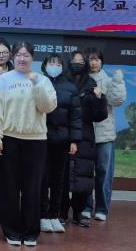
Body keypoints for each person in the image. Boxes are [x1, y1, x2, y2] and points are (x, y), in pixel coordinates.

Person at [0, 41, 57, 247]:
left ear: (32, 58)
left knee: (32, 188)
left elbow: (47, 107)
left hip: (36, 140)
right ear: (13, 56)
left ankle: (31, 232)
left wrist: (37, 84)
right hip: (9, 139)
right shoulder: (3, 80)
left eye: (26, 55)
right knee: (9, 188)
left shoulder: (43, 80)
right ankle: (11, 231)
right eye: (18, 54)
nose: (22, 58)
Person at [61, 51, 108, 227]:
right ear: (68, 62)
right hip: (65, 133)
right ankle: (61, 213)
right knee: (62, 176)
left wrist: (99, 98)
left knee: (83, 176)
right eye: (74, 60)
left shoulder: (91, 83)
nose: (78, 63)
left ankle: (78, 213)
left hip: (85, 136)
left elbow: (99, 116)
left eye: (81, 61)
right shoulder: (62, 82)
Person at [39, 54, 82, 234]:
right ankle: (42, 215)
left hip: (63, 140)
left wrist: (74, 140)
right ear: (45, 65)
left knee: (59, 180)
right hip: (41, 138)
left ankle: (54, 215)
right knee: (43, 178)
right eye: (51, 63)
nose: (54, 66)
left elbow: (76, 116)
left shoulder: (71, 87)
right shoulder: (39, 83)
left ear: (63, 67)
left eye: (58, 63)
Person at [82, 47, 126, 222]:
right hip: (85, 134)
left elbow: (117, 101)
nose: (94, 63)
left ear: (101, 62)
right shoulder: (81, 80)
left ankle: (102, 208)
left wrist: (118, 81)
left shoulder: (108, 80)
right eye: (90, 59)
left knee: (103, 172)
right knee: (85, 172)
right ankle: (85, 207)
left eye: (97, 59)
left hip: (104, 135)